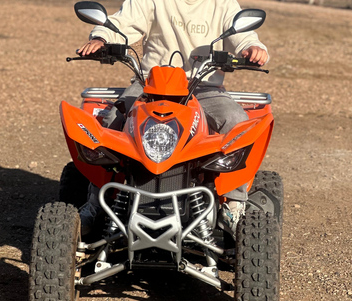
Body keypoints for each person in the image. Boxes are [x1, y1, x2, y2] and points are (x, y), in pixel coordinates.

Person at [77, 0, 269, 237]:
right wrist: (102, 38)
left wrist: (251, 48)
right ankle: (97, 200)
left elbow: (242, 35)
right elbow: (121, 23)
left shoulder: (223, 3)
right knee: (110, 122)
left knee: (236, 121)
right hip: (151, 83)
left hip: (204, 85)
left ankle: (233, 203)